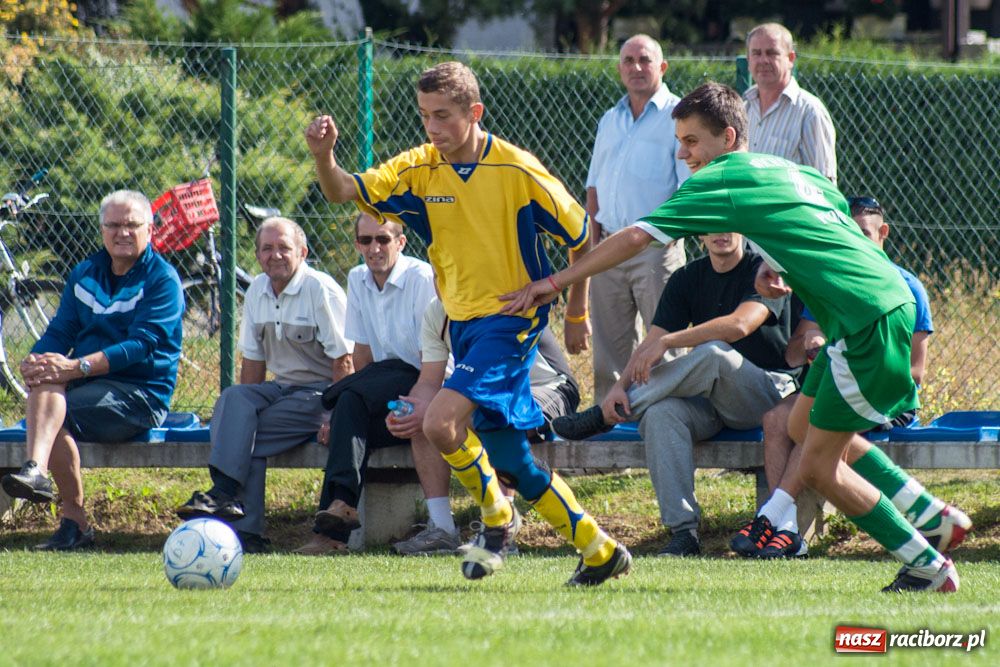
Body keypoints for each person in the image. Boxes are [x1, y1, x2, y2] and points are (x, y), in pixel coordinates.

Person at [502, 81, 962, 593]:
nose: (683, 153)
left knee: (817, 465)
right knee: (804, 422)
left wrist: (554, 283)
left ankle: (927, 561)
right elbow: (828, 233)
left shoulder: (719, 179)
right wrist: (776, 264)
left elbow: (632, 236)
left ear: (728, 136)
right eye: (679, 141)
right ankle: (934, 514)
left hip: (862, 322)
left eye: (692, 141)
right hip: (878, 304)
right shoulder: (792, 170)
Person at [306, 61, 630, 586]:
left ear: (474, 113)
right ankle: (598, 548)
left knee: (439, 422)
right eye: (424, 116)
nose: (432, 128)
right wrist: (324, 156)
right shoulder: (419, 168)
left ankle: (497, 521)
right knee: (512, 459)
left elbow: (582, 236)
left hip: (512, 320)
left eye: (443, 116)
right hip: (463, 324)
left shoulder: (518, 170)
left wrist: (573, 308)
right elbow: (343, 190)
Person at [733, 194, 970, 559]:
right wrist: (808, 333)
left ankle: (777, 520)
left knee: (816, 459)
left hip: (879, 389)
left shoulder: (903, 285)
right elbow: (798, 349)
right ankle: (785, 524)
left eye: (865, 233)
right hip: (840, 370)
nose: (857, 241)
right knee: (786, 422)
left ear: (884, 233)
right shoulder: (834, 275)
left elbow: (914, 373)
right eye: (849, 233)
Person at [552, 233, 799, 556]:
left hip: (769, 396)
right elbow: (652, 340)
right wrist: (618, 389)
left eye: (728, 224)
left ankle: (604, 417)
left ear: (742, 228)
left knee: (714, 353)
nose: (720, 233)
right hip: (715, 401)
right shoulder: (688, 277)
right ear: (699, 234)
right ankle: (684, 533)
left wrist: (670, 343)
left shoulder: (763, 270)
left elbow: (740, 325)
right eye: (711, 225)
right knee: (660, 414)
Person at [1, 190, 183, 550]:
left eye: (132, 225)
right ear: (102, 230)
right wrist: (36, 360)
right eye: (113, 225)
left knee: (52, 416)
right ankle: (40, 478)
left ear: (150, 229)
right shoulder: (85, 273)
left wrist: (75, 367)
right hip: (84, 386)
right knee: (47, 389)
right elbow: (60, 331)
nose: (123, 233)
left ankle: (74, 519)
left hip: (141, 395)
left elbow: (141, 346)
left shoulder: (163, 280)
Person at [176, 217, 353, 553]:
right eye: (267, 248)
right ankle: (237, 516)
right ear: (257, 255)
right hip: (282, 389)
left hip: (321, 394)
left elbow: (344, 361)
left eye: (284, 247)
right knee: (234, 399)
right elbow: (253, 363)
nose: (276, 255)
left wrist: (335, 416)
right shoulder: (257, 288)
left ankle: (239, 519)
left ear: (302, 252)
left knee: (245, 436)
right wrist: (243, 411)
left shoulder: (320, 289)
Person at [388, 297, 581, 555]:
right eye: (440, 270)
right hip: (489, 392)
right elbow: (428, 381)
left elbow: (501, 386)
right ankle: (442, 528)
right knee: (426, 418)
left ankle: (502, 529)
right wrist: (413, 408)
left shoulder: (499, 295)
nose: (444, 276)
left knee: (489, 415)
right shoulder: (436, 311)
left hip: (547, 387)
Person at [294, 212, 436, 555]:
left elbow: (431, 358)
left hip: (423, 380)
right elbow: (363, 354)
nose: (374, 248)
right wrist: (342, 411)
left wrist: (412, 401)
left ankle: (330, 533)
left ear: (400, 242)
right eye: (366, 240)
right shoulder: (358, 278)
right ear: (358, 245)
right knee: (349, 406)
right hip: (379, 384)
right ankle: (337, 519)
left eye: (383, 239)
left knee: (349, 396)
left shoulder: (421, 278)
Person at [586, 34, 690, 399]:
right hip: (609, 249)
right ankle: (609, 429)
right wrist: (594, 243)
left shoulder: (681, 117)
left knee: (666, 348)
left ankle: (671, 418)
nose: (636, 68)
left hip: (656, 249)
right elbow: (594, 187)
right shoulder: (608, 120)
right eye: (628, 61)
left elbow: (687, 190)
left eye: (644, 60)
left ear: (662, 67)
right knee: (608, 356)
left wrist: (658, 236)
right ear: (619, 69)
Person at [744, 23, 837, 183]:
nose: (763, 60)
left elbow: (824, 183)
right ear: (748, 59)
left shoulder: (810, 111)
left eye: (772, 53)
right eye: (756, 53)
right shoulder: (743, 108)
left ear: (791, 58)